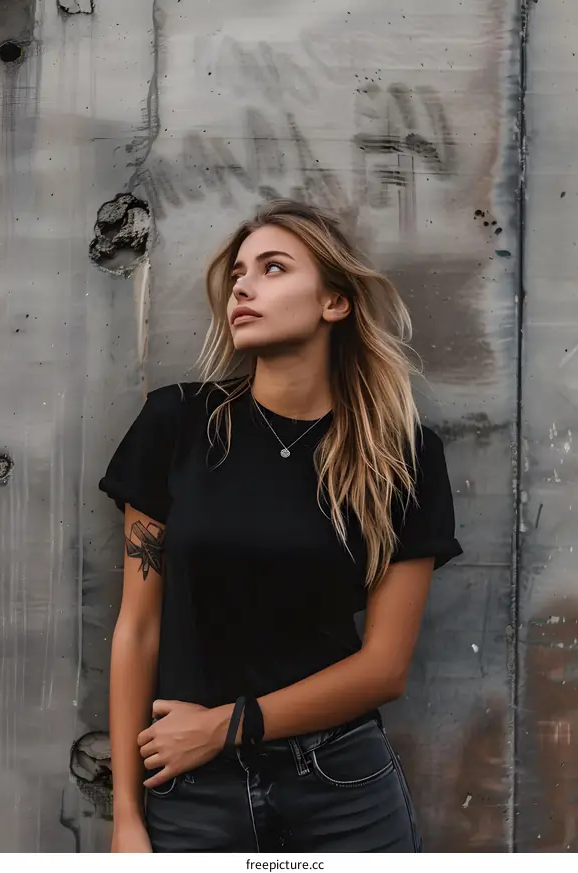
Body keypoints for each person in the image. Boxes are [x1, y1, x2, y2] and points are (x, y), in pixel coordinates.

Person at [99, 199, 463, 853]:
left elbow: (384, 667)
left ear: (334, 302)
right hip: (193, 789)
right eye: (238, 273)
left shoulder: (400, 455)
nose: (243, 287)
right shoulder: (177, 425)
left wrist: (229, 724)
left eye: (273, 268)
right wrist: (126, 813)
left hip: (341, 785)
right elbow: (138, 629)